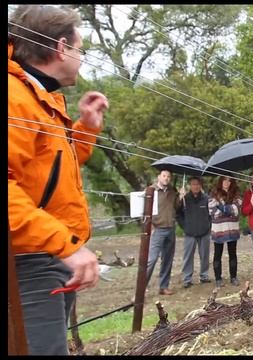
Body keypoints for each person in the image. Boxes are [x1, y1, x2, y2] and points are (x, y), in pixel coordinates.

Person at [8, 5, 109, 355]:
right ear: (62, 48)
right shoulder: (13, 97)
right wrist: (65, 245)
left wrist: (86, 129)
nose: (82, 58)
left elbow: (51, 170)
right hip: (29, 259)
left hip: (47, 253)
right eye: (80, 49)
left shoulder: (38, 95)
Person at [146, 170, 182, 295]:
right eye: (164, 176)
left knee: (167, 259)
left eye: (168, 176)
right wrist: (149, 226)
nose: (166, 178)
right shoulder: (151, 191)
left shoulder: (172, 191)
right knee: (152, 259)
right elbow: (144, 210)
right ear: (159, 177)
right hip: (157, 229)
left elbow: (176, 208)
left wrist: (180, 197)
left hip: (170, 228)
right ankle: (140, 290)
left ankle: (164, 286)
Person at [177, 177, 211, 288]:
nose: (195, 186)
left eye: (197, 184)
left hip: (204, 232)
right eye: (193, 184)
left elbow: (211, 214)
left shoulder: (206, 198)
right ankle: (187, 279)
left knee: (205, 255)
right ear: (189, 186)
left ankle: (204, 276)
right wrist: (185, 226)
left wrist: (208, 225)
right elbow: (178, 214)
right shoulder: (185, 199)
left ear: (200, 185)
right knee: (187, 257)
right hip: (189, 233)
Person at [209, 176, 243, 288]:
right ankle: (218, 278)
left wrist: (222, 207)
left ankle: (233, 277)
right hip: (219, 228)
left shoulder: (236, 193)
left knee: (232, 253)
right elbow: (212, 212)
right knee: (217, 254)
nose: (227, 182)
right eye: (224, 180)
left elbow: (236, 210)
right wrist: (228, 210)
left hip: (232, 228)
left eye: (229, 180)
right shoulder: (214, 193)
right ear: (220, 181)